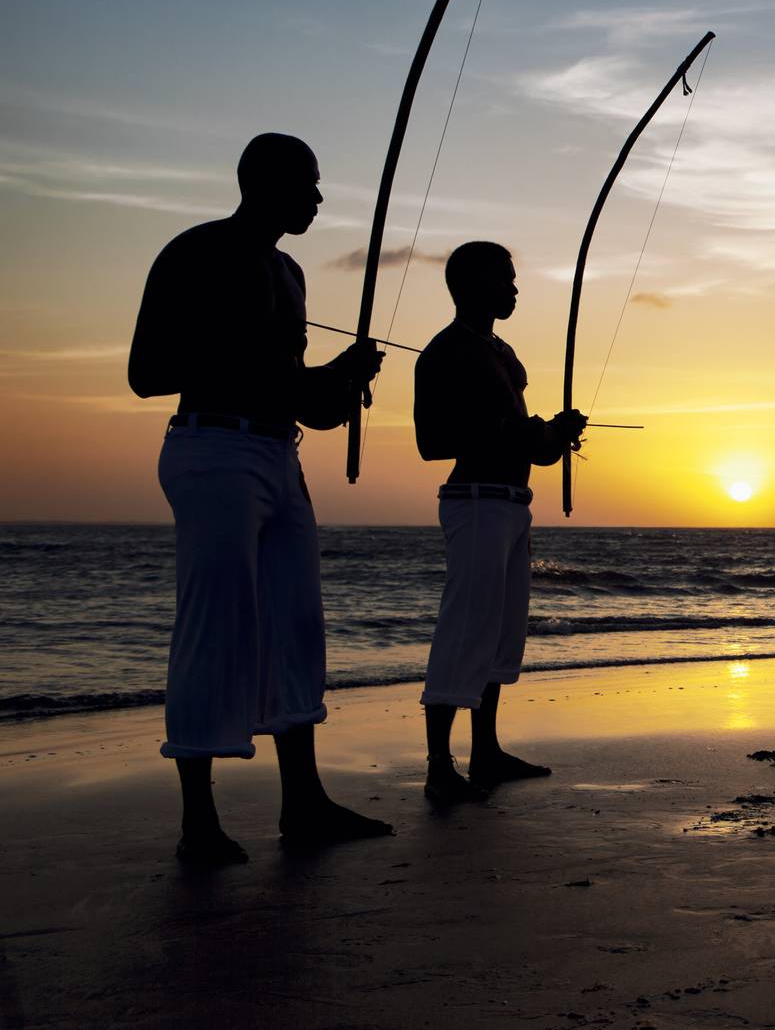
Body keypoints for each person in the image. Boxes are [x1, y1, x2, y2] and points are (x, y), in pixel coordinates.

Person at [128, 132, 392, 867]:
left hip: (281, 454)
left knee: (296, 623)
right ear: (263, 182)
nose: (318, 198)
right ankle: (198, 821)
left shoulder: (291, 272)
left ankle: (303, 801)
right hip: (213, 450)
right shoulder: (196, 252)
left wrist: (341, 379)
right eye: (307, 183)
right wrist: (269, 365)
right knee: (215, 624)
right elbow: (146, 373)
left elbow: (305, 402)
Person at [413, 242, 585, 805]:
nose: (513, 289)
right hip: (476, 501)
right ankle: (439, 765)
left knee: (500, 632)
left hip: (513, 502)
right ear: (470, 286)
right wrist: (515, 432)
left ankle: (485, 750)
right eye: (504, 280)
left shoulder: (502, 352)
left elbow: (533, 449)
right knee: (465, 628)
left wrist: (555, 434)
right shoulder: (444, 351)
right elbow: (431, 441)